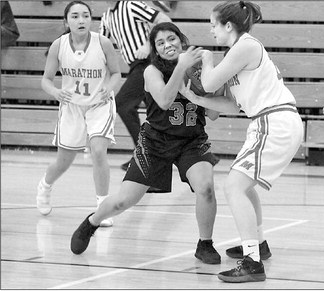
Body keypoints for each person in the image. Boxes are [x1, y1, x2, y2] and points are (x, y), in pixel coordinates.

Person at [70, 22, 222, 265]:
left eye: (171, 39)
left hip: (192, 140)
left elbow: (213, 114)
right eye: (160, 43)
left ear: (181, 40)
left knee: (206, 188)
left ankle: (205, 243)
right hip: (155, 142)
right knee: (124, 201)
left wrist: (211, 76)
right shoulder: (151, 71)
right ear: (155, 50)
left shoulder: (197, 64)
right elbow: (163, 101)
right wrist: (181, 67)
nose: (167, 45)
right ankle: (93, 221)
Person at [179, 1, 303, 283]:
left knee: (233, 186)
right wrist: (196, 99)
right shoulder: (239, 53)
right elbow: (234, 105)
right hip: (266, 121)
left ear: (228, 26)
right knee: (244, 187)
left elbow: (209, 82)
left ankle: (252, 262)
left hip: (274, 122)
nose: (211, 31)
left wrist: (207, 59)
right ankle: (257, 245)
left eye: (213, 25)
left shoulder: (245, 46)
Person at [36, 1, 122, 227]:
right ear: (66, 22)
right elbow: (45, 80)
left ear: (91, 19)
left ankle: (102, 207)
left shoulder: (103, 42)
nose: (81, 20)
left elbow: (116, 74)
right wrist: (56, 91)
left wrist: (109, 88)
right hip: (72, 106)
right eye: (75, 16)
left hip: (99, 105)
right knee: (63, 162)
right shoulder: (58, 45)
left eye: (85, 15)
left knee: (98, 150)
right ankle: (45, 185)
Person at [100, 1, 172, 176]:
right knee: (158, 112)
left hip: (149, 63)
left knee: (123, 104)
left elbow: (163, 19)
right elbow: (100, 46)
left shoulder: (131, 5)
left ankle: (144, 154)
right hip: (136, 66)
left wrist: (150, 44)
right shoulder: (106, 17)